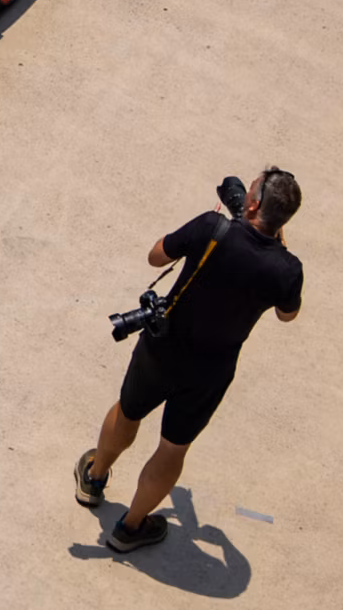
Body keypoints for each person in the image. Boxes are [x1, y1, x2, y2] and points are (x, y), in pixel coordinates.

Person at [75, 168, 305, 553]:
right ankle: (130, 528)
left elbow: (155, 256)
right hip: (210, 371)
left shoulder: (213, 229)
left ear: (252, 205)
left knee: (128, 411)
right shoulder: (287, 270)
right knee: (172, 448)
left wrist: (208, 232)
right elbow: (287, 314)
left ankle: (94, 477)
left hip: (161, 346)